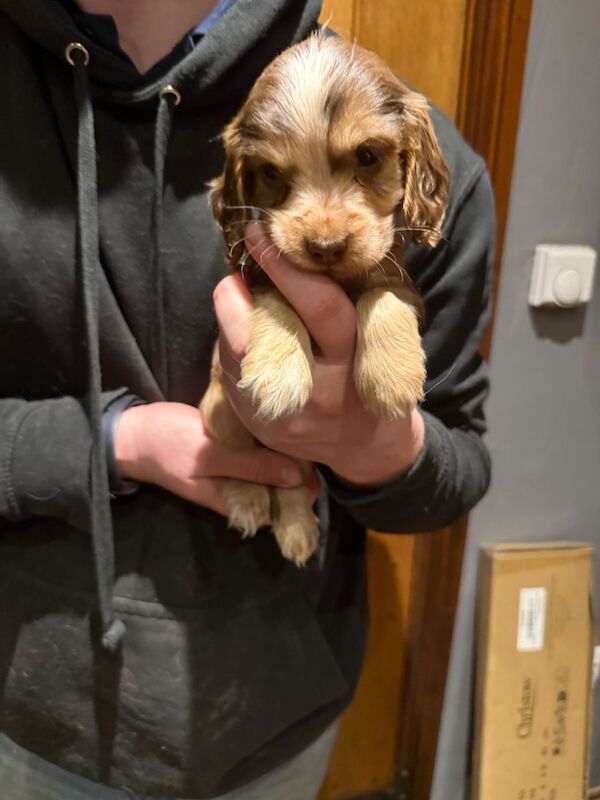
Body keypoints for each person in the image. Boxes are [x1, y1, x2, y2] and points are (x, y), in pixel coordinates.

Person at [0, 0, 494, 798]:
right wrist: (118, 442)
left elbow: (458, 464)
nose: (328, 227)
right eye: (278, 175)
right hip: (27, 711)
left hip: (281, 724)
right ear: (242, 177)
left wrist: (377, 447)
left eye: (366, 160)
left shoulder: (442, 166)